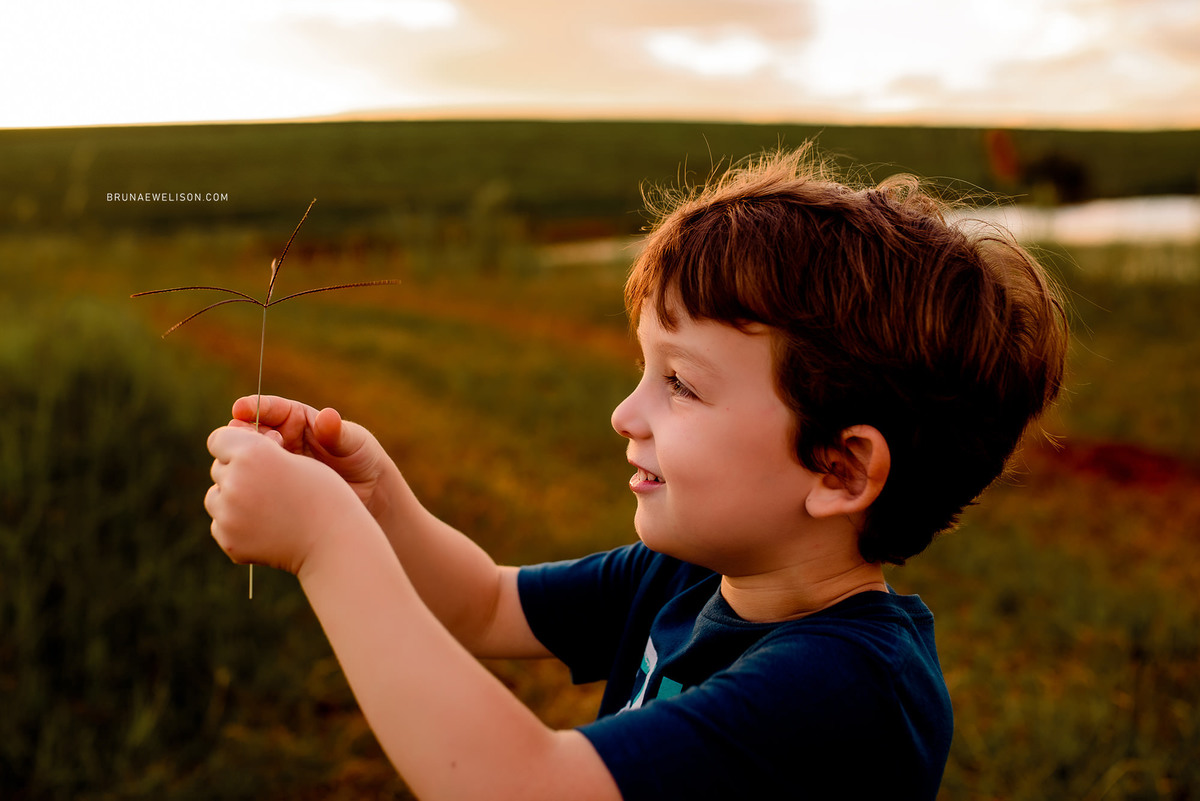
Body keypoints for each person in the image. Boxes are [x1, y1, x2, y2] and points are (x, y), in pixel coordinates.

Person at [204, 145, 1068, 800]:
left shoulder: (851, 691)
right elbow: (484, 603)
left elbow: (523, 786)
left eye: (680, 384)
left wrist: (327, 542)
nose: (626, 414)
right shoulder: (689, 575)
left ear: (840, 470)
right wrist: (374, 498)